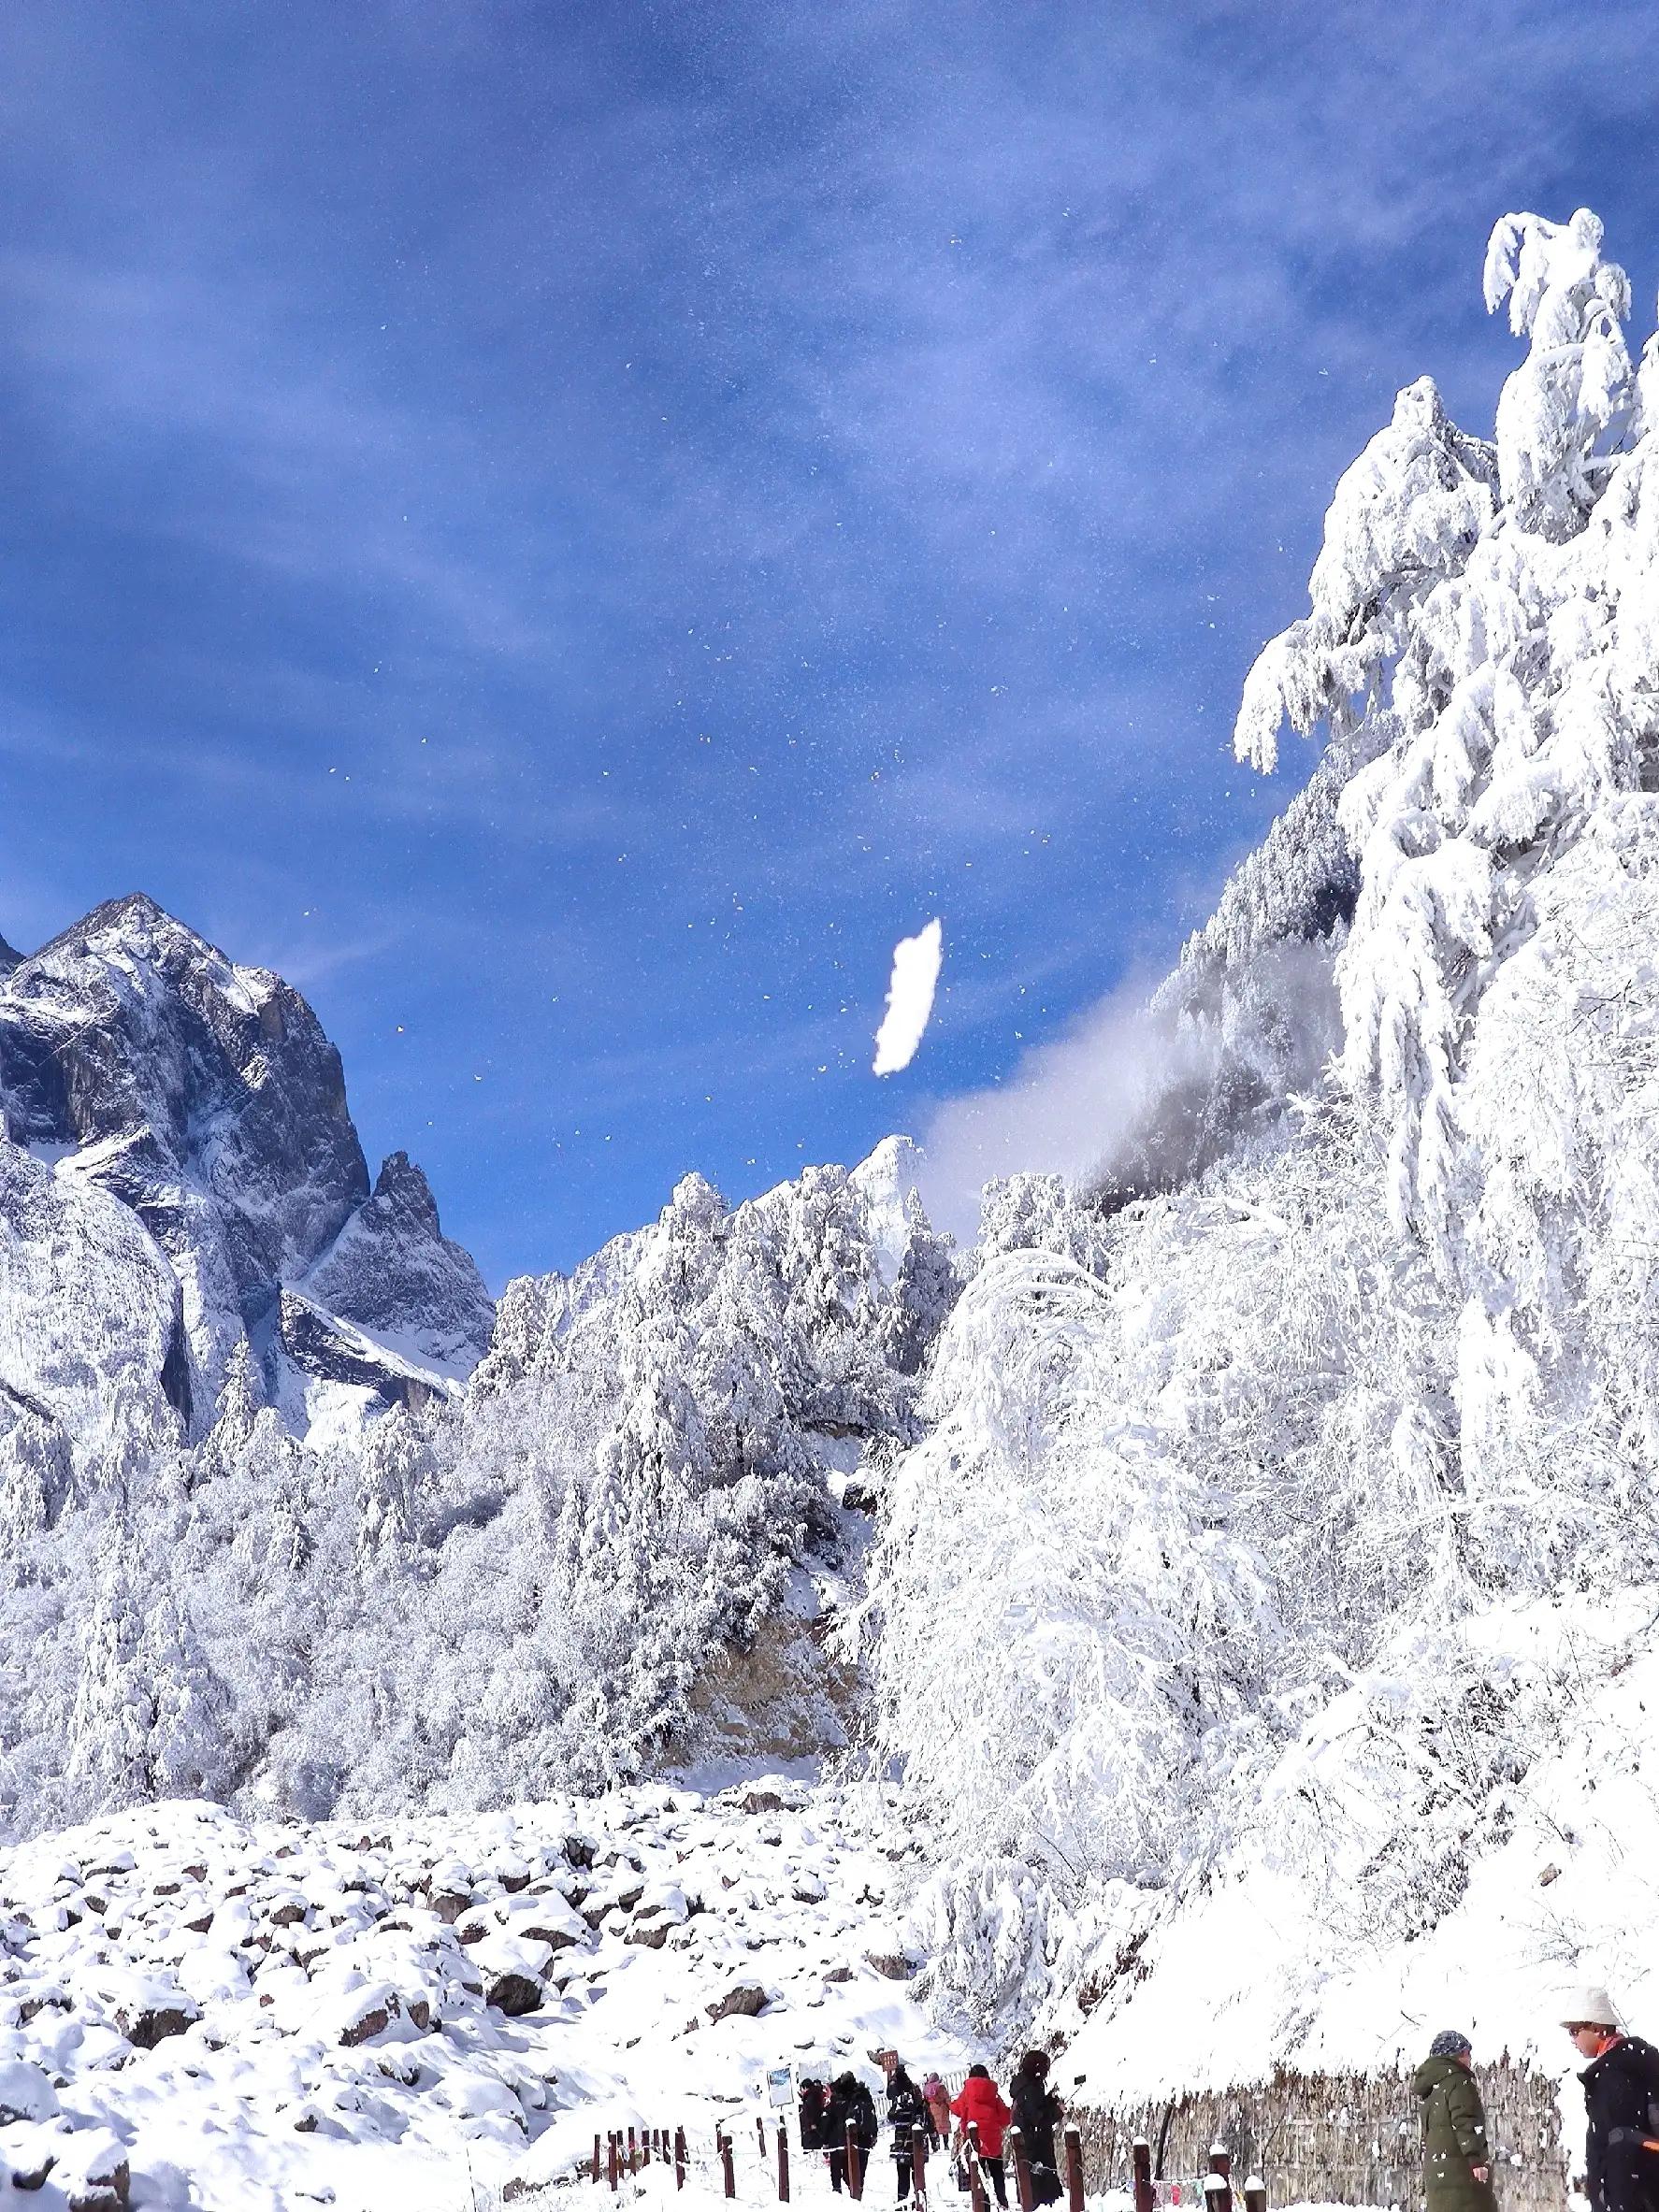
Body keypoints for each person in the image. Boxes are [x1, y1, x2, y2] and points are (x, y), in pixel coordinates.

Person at [1563, 1987, 1659, 2212]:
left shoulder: (1614, 2076)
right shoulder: (1638, 2061)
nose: (1572, 2040)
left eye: (1574, 2031)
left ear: (1596, 2028)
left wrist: (1612, 2204)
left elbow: (1621, 2149)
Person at [1412, 2031, 1496, 2212]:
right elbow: (1466, 2121)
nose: (1469, 2058)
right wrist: (1476, 2161)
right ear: (1454, 2055)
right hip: (1461, 2174)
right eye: (1466, 2053)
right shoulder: (1459, 2082)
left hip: (1438, 2173)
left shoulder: (1431, 2087)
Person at [951, 2063, 1013, 2209]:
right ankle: (1002, 2203)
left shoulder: (967, 2093)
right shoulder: (993, 2093)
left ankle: (984, 2207)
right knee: (997, 2175)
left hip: (975, 2144)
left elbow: (955, 2109)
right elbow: (1005, 2118)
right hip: (993, 2143)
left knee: (979, 2179)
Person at [1010, 2050, 1064, 2207]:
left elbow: (1036, 2106)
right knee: (1035, 2188)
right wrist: (1057, 2112)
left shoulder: (1030, 2083)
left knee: (1038, 2186)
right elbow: (1037, 2118)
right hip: (1032, 2144)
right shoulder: (1028, 2088)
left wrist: (1050, 2100)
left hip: (1034, 2141)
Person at [887, 2061, 929, 2201]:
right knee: (916, 2171)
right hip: (914, 2138)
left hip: (902, 2139)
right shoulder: (913, 2089)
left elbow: (891, 2116)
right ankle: (920, 2198)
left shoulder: (898, 2096)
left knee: (903, 2173)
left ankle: (902, 2199)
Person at [922, 2073, 950, 2152]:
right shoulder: (940, 2087)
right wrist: (949, 2106)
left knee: (935, 2127)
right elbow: (946, 2097)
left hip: (931, 2108)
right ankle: (946, 2145)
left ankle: (936, 2144)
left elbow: (925, 2098)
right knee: (944, 2127)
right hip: (942, 2108)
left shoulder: (926, 2087)